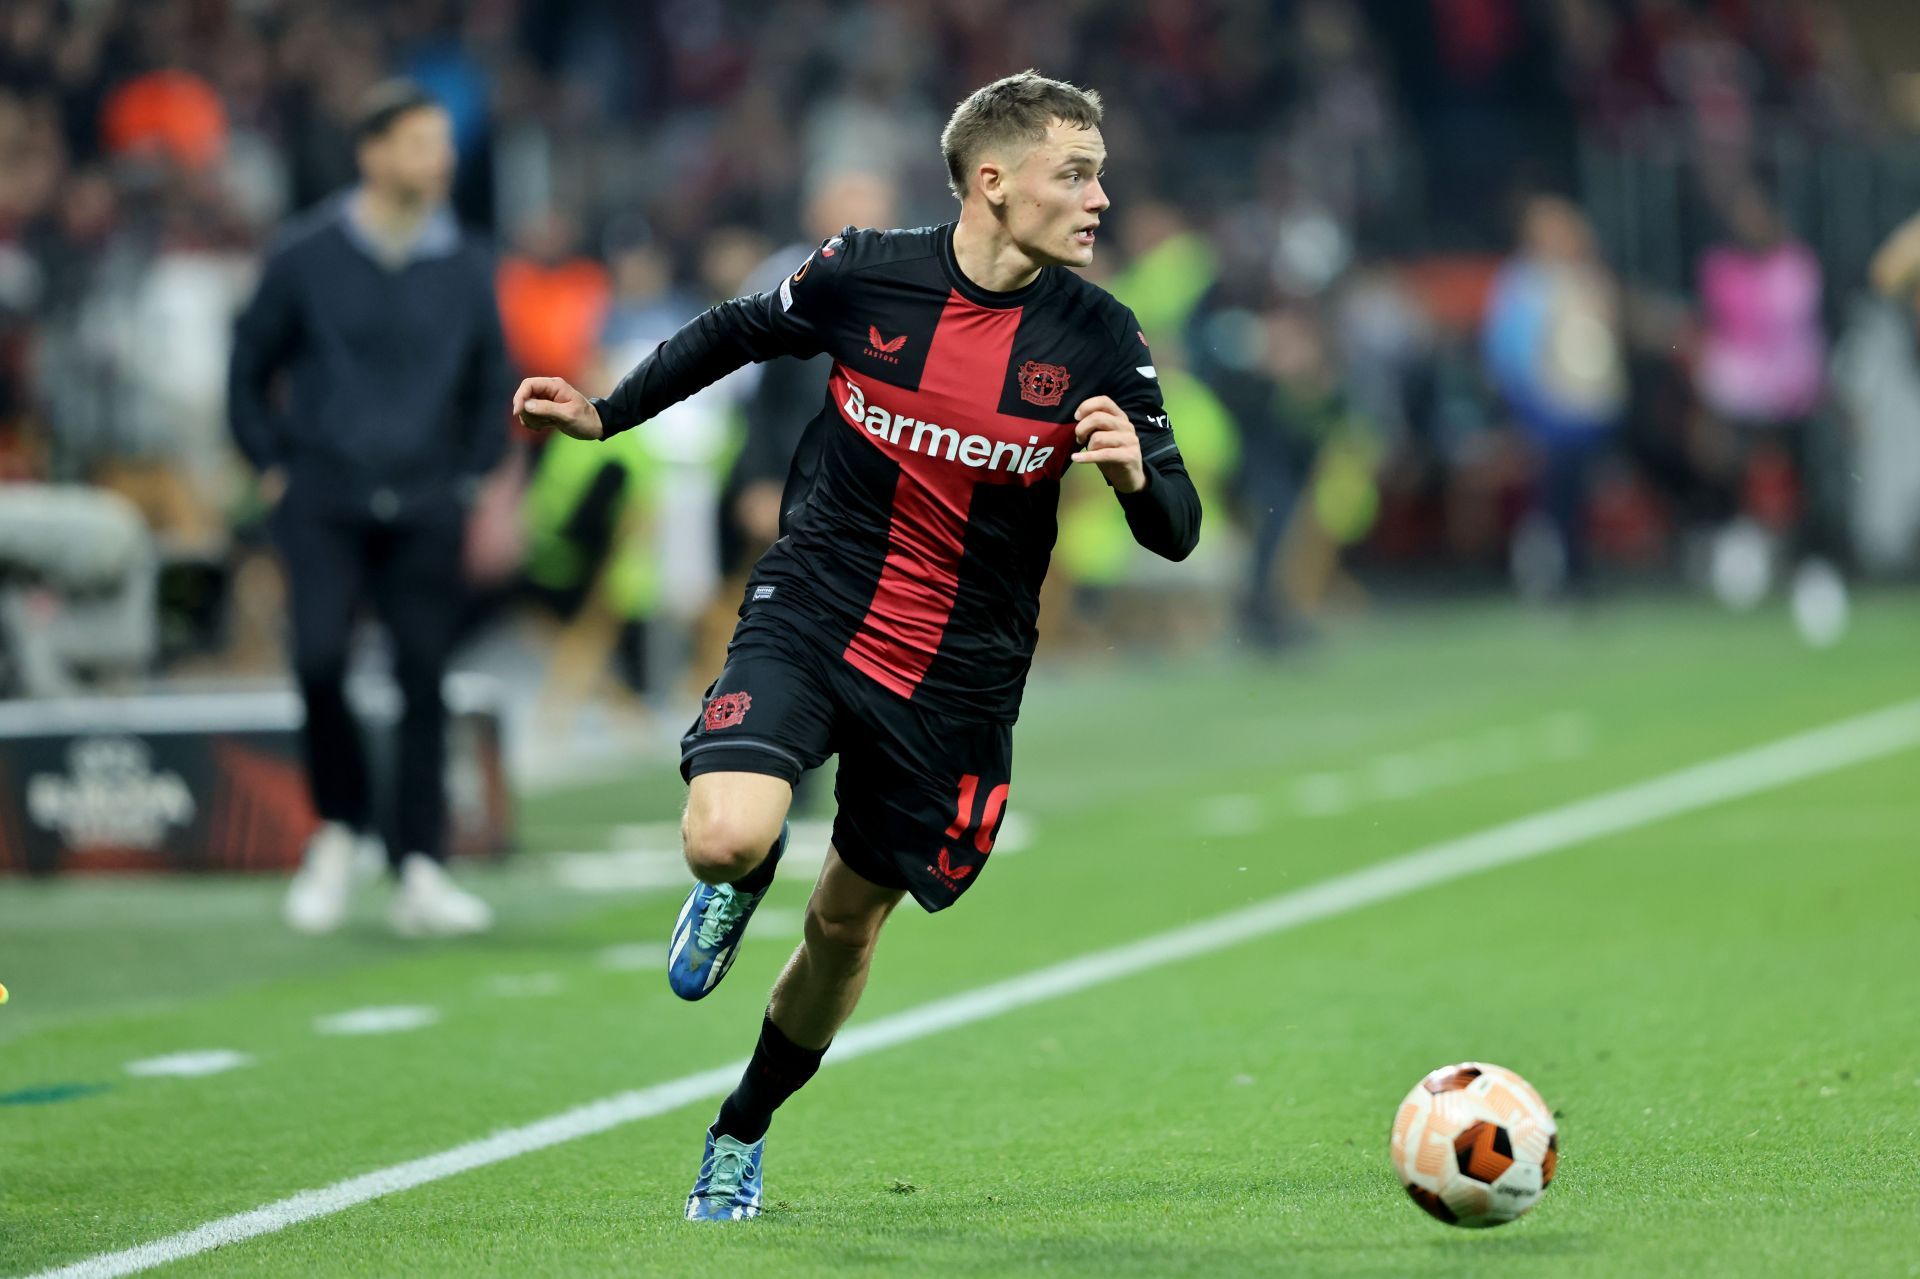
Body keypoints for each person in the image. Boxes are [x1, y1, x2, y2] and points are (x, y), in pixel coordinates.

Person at [513, 71, 1200, 1221]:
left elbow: (1174, 527)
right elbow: (740, 329)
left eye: (1099, 174)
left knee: (843, 925)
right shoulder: (865, 270)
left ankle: (740, 1126)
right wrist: (605, 414)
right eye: (1073, 173)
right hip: (818, 605)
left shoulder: (1100, 337)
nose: (1099, 199)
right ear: (993, 182)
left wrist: (1136, 476)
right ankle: (737, 880)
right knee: (725, 833)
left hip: (960, 672)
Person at [228, 80, 511, 936]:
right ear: (373, 152)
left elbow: (490, 379)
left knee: (422, 677)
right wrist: (272, 467)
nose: (443, 158)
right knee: (318, 661)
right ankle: (340, 830)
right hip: (323, 496)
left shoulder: (465, 259)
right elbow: (246, 370)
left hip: (428, 500)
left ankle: (420, 864)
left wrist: (472, 474)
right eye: (423, 142)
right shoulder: (304, 253)